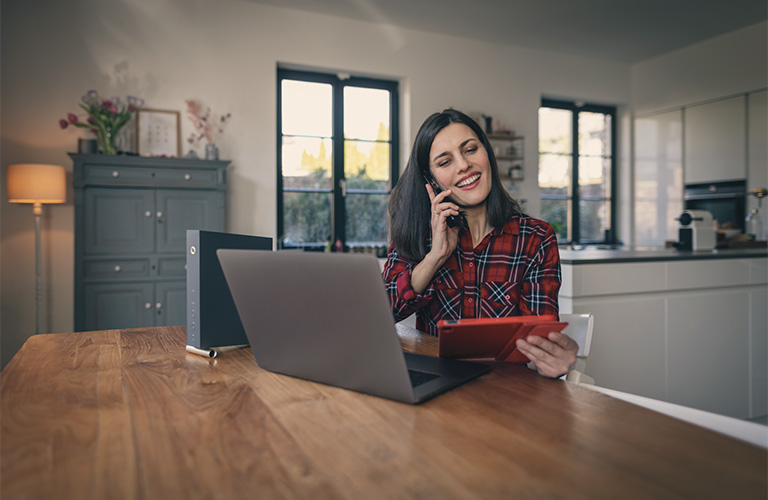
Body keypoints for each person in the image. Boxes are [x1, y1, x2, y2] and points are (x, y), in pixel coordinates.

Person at [382, 109, 577, 378]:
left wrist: (552, 360)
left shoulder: (536, 238)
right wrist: (435, 256)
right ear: (431, 179)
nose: (463, 165)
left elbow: (538, 343)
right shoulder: (416, 236)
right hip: (435, 391)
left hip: (505, 395)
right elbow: (382, 313)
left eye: (470, 149)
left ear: (487, 153)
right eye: (445, 161)